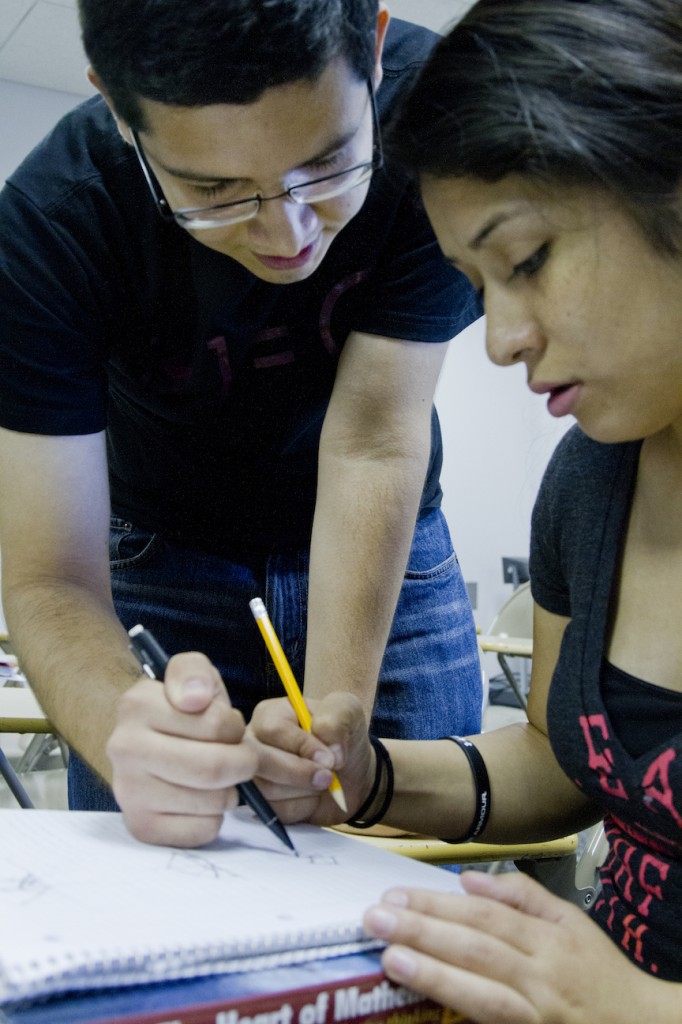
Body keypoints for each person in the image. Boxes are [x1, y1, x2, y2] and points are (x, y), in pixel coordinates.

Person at [248, 0, 682, 1019]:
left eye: (524, 259)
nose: (498, 340)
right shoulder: (590, 482)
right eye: (474, 285)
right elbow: (556, 762)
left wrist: (631, 1007)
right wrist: (366, 774)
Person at [0, 0, 483, 840]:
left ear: (372, 47)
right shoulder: (50, 226)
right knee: (164, 863)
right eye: (213, 191)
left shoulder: (439, 122)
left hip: (389, 554)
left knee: (405, 885)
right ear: (118, 110)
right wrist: (127, 734)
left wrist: (335, 739)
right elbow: (51, 578)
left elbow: (373, 440)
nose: (287, 231)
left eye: (330, 166)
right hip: (161, 548)